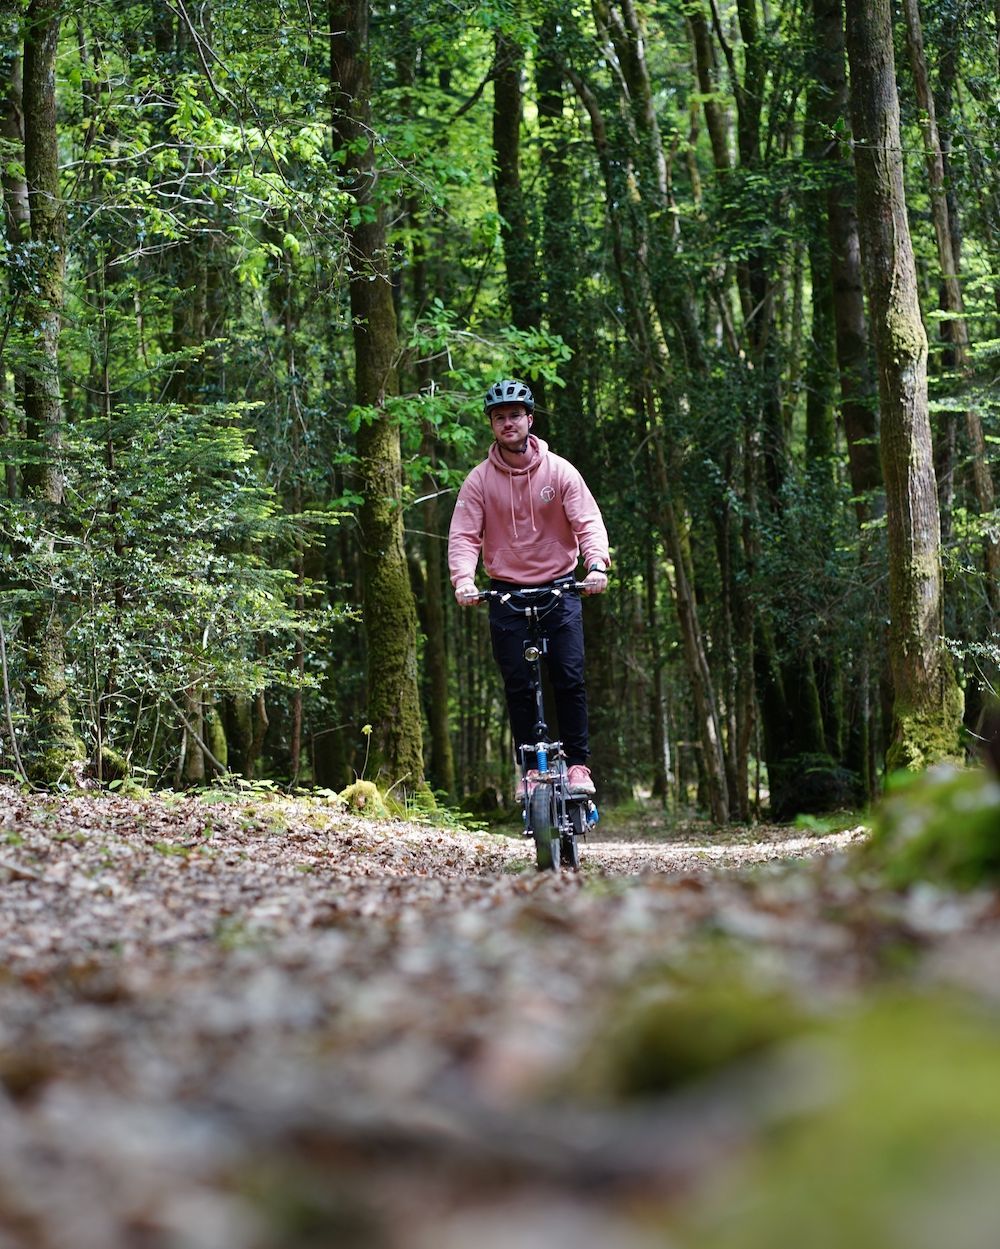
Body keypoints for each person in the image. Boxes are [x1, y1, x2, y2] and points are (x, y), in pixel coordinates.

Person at [448, 378, 611, 796]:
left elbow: (588, 522)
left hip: (560, 587)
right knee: (518, 682)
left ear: (529, 419)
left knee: (569, 677)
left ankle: (577, 766)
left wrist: (596, 564)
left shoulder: (560, 471)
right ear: (492, 425)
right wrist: (463, 579)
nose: (507, 423)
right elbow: (465, 536)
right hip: (506, 591)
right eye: (499, 418)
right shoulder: (479, 480)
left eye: (514, 416)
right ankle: (530, 771)